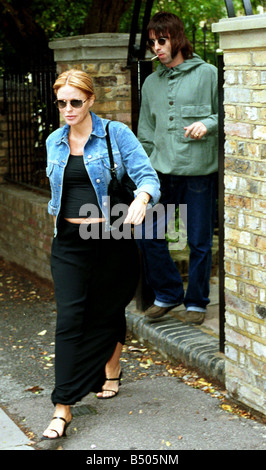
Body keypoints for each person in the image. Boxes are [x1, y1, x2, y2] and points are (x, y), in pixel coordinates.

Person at [42, 69, 160, 439]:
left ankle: (112, 369)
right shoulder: (54, 141)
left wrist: (141, 199)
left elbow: (148, 177)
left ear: (91, 100)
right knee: (70, 318)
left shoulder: (115, 134)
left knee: (107, 311)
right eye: (62, 103)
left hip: (111, 237)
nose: (68, 109)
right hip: (69, 242)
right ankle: (63, 407)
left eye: (75, 102)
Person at [137, 12, 218, 324]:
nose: (157, 47)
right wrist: (141, 174)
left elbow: (228, 113)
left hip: (198, 171)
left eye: (162, 40)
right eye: (152, 42)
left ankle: (196, 302)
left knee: (198, 240)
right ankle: (169, 293)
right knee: (146, 233)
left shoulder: (208, 73)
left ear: (177, 38)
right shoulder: (150, 83)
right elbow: (145, 133)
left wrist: (207, 123)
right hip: (160, 173)